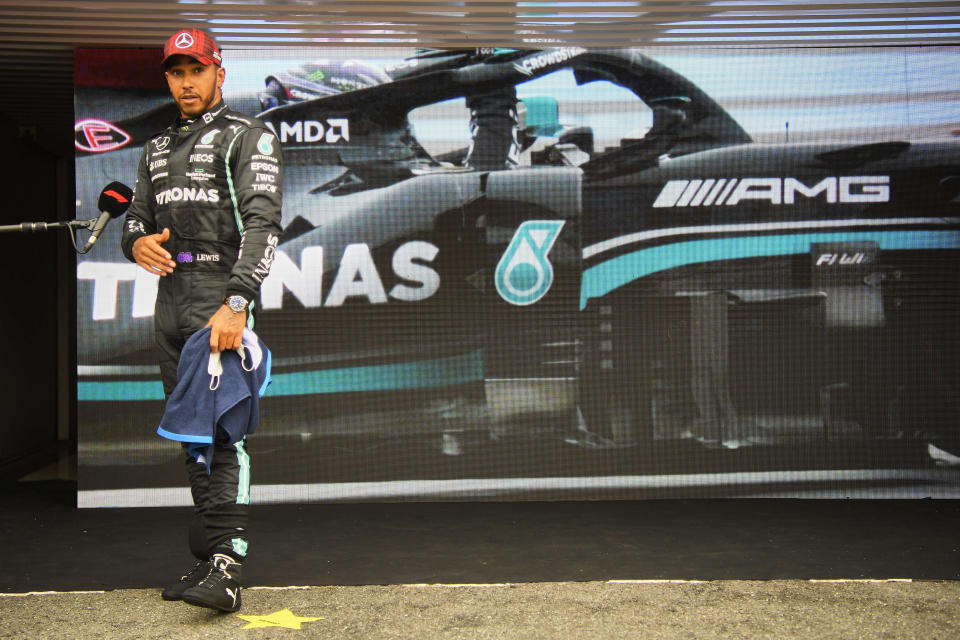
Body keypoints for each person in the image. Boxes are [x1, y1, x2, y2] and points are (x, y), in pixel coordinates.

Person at [121, 27, 283, 613]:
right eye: (175, 72)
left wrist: (236, 303)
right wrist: (135, 244)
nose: (186, 82)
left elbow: (264, 226)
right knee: (193, 438)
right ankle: (209, 555)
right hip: (170, 300)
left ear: (219, 72)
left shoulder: (249, 135)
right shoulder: (155, 148)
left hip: (218, 296)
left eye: (196, 71)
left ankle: (227, 566)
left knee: (223, 436)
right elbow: (135, 219)